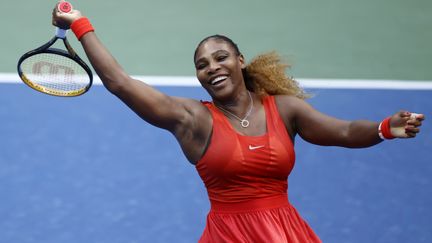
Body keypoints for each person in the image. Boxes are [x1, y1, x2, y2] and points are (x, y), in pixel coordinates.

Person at [52, 2, 425, 242]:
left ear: (240, 60)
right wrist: (81, 24)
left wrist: (383, 129)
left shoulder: (286, 109)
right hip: (228, 235)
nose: (212, 67)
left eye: (220, 57)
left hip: (286, 232)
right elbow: (120, 83)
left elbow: (342, 131)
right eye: (202, 64)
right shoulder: (192, 120)